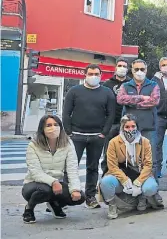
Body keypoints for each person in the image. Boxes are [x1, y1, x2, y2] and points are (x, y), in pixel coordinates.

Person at [62, 63, 115, 209]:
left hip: (97, 136)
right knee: (70, 166)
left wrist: (104, 133)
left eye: (96, 74)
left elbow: (111, 114)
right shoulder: (74, 91)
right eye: (90, 74)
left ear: (101, 75)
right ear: (85, 75)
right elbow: (66, 112)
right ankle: (64, 197)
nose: (93, 77)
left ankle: (90, 197)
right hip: (76, 136)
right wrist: (68, 132)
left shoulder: (107, 93)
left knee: (93, 167)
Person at [22, 115, 85, 224]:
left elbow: (72, 169)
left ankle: (54, 204)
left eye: (56, 125)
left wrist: (75, 189)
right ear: (42, 128)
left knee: (80, 197)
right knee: (45, 190)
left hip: (57, 185)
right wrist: (54, 182)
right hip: (34, 184)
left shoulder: (68, 143)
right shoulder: (33, 145)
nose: (53, 128)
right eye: (49, 125)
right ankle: (29, 209)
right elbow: (35, 172)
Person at [99, 114, 160, 219]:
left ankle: (143, 197)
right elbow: (112, 166)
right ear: (122, 128)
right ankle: (112, 204)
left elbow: (148, 165)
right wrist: (124, 179)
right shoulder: (113, 142)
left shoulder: (145, 142)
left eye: (133, 126)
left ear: (137, 127)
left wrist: (139, 182)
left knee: (151, 187)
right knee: (105, 182)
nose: (130, 129)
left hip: (140, 174)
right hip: (120, 175)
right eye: (127, 127)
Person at [117, 59, 161, 193]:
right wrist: (141, 98)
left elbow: (154, 101)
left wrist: (132, 102)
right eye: (136, 69)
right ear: (132, 70)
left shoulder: (154, 85)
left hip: (149, 127)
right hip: (129, 128)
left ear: (146, 70)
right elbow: (120, 99)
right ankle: (131, 189)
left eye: (142, 69)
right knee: (129, 159)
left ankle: (152, 192)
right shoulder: (126, 85)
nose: (139, 72)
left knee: (150, 160)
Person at [101, 58, 131, 173]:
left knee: (126, 152)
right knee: (108, 151)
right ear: (115, 67)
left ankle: (125, 175)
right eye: (120, 65)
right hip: (110, 123)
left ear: (127, 69)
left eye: (124, 66)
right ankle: (105, 173)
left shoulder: (131, 84)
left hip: (127, 124)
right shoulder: (107, 84)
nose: (122, 68)